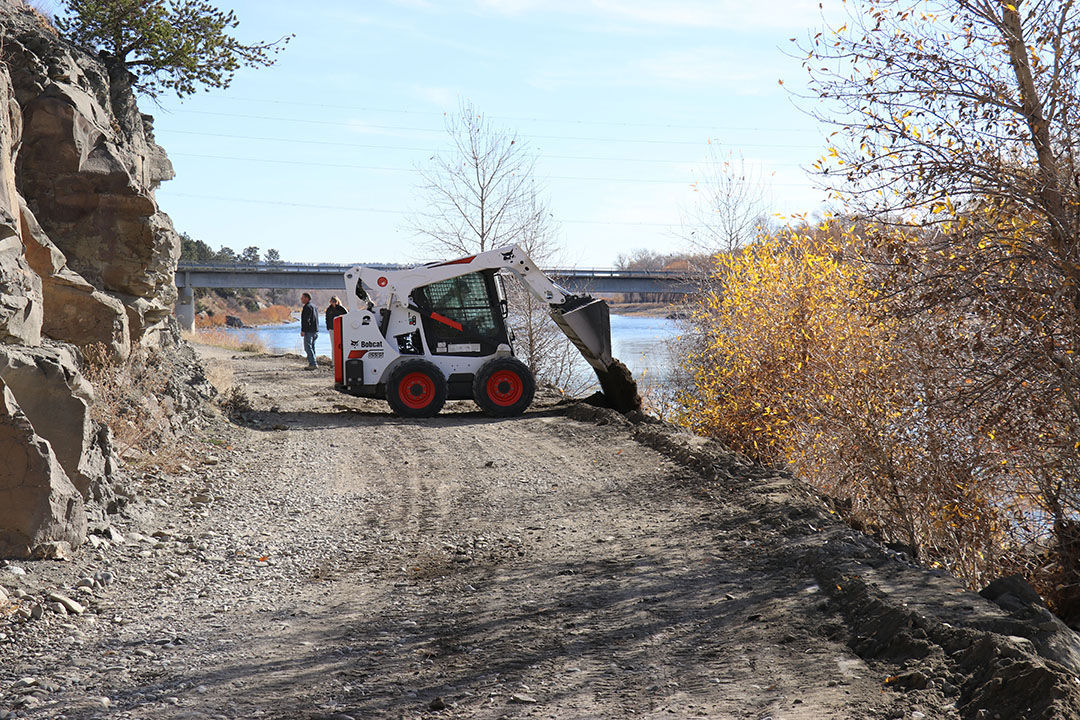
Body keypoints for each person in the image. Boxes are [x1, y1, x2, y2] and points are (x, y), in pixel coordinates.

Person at [299, 292, 318, 369]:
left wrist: (303, 330)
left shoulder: (307, 307)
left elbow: (306, 320)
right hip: (315, 330)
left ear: (307, 298)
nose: (301, 299)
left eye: (302, 298)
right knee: (312, 347)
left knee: (307, 347)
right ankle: (314, 362)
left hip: (309, 331)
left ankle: (313, 364)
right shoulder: (314, 306)